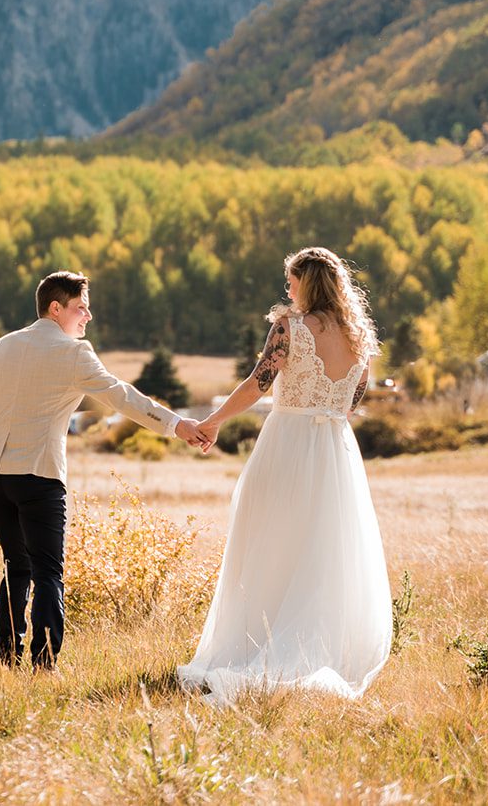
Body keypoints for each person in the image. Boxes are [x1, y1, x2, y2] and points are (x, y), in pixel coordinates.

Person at [0, 270, 209, 669]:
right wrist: (175, 424)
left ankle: (8, 656)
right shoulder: (74, 354)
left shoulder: (2, 347)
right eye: (81, 308)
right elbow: (122, 397)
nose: (88, 317)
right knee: (48, 572)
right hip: (39, 475)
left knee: (17, 563)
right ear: (55, 308)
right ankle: (44, 663)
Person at [177, 246, 393, 703]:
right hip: (335, 452)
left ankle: (253, 647)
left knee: (268, 543)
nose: (288, 289)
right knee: (322, 548)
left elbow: (258, 383)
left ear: (306, 283)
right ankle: (316, 647)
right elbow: (354, 400)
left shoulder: (290, 328)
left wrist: (213, 421)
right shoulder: (359, 337)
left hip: (288, 445)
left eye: (292, 281)